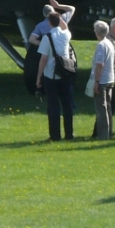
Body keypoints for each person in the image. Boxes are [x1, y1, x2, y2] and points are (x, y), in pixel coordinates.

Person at [36, 12, 76, 141]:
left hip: (51, 75)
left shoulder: (47, 37)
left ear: (49, 23)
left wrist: (38, 77)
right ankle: (69, 134)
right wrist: (58, 11)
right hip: (65, 74)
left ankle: (55, 135)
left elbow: (43, 59)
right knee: (67, 105)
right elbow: (65, 27)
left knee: (53, 106)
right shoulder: (66, 35)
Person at [91, 20, 115, 140]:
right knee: (108, 107)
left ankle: (103, 135)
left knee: (101, 109)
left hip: (102, 80)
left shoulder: (101, 45)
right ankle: (109, 132)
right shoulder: (109, 43)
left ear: (97, 32)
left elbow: (99, 65)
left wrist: (96, 82)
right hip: (110, 79)